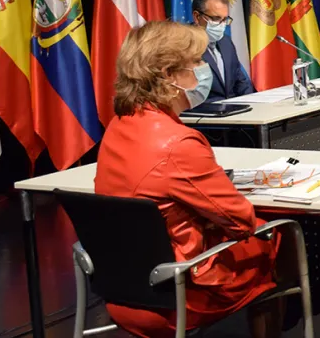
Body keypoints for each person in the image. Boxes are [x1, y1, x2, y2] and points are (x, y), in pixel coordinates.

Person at [95, 21, 282, 338]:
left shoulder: (118, 126)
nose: (203, 68)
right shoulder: (178, 143)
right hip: (178, 293)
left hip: (121, 288)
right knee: (278, 236)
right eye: (196, 61)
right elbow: (240, 221)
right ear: (168, 75)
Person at [192, 0, 255, 102]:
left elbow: (241, 82)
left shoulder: (226, 42)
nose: (221, 25)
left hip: (234, 111)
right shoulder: (184, 45)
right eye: (216, 19)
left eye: (224, 20)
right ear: (197, 17)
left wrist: (253, 103)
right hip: (204, 114)